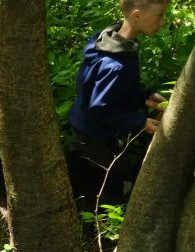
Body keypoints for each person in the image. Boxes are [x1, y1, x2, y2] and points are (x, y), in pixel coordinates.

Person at [67, 0, 168, 207]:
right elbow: (100, 108)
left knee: (94, 173)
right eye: (159, 15)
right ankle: (107, 216)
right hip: (93, 135)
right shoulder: (116, 65)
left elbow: (116, 89)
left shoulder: (107, 40)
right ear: (137, 15)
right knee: (116, 178)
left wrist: (146, 95)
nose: (163, 21)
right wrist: (140, 122)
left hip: (86, 127)